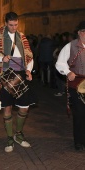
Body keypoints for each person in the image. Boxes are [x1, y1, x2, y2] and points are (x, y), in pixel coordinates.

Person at [0, 12, 37, 152]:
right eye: (11, 25)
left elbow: (29, 56)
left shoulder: (22, 36)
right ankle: (9, 138)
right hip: (5, 76)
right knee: (7, 107)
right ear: (5, 23)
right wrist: (1, 59)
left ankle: (18, 134)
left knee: (24, 107)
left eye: (16, 24)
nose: (14, 27)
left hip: (20, 75)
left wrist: (28, 70)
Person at [55, 21, 85, 151]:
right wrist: (68, 72)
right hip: (76, 85)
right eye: (83, 31)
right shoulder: (70, 46)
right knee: (79, 114)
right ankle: (79, 142)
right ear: (78, 33)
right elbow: (60, 63)